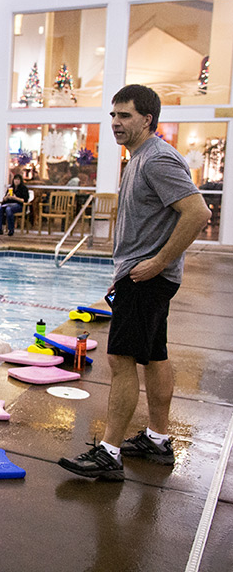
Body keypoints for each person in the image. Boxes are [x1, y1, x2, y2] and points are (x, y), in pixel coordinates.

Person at [58, 84, 211, 481]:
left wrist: (158, 262)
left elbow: (197, 213)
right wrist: (135, 270)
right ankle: (157, 440)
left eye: (124, 115)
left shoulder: (156, 159)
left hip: (147, 279)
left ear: (147, 119)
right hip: (142, 277)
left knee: (121, 360)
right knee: (154, 356)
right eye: (113, 114)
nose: (115, 122)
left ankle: (109, 453)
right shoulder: (141, 157)